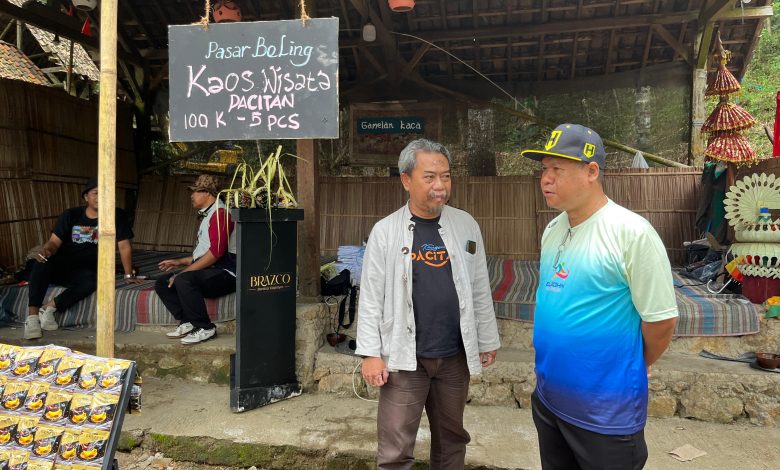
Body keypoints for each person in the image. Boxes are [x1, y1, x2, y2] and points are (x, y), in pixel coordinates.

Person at [521, 123, 679, 469]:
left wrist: (634, 363)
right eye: (544, 169)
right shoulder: (554, 228)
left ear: (591, 171)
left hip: (605, 413)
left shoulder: (631, 233)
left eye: (557, 169)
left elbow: (662, 320)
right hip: (549, 400)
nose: (546, 179)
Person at [355, 139, 501, 469]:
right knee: (395, 448)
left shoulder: (466, 224)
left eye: (446, 177)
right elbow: (371, 298)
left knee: (451, 441)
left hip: (453, 357)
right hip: (404, 360)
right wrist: (370, 354)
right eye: (430, 177)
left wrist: (487, 339)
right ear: (407, 180)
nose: (440, 186)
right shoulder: (385, 231)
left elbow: (479, 287)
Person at [25, 177, 136, 340]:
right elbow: (54, 242)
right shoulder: (71, 215)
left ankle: (48, 308)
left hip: (87, 270)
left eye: (105, 194)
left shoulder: (117, 215)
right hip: (64, 265)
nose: (100, 197)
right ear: (86, 197)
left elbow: (124, 245)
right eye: (95, 193)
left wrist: (128, 275)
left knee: (93, 281)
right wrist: (47, 250)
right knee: (41, 262)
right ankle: (33, 318)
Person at [154, 174, 236, 345]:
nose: (192, 195)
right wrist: (180, 262)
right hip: (212, 270)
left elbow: (216, 253)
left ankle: (205, 327)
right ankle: (188, 321)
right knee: (163, 282)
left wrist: (183, 272)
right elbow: (205, 253)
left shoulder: (221, 214)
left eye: (196, 191)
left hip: (227, 273)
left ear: (208, 193)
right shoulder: (209, 214)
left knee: (183, 279)